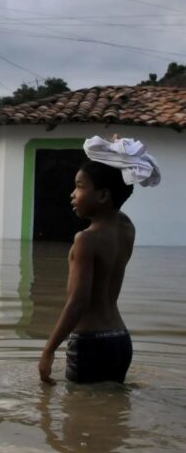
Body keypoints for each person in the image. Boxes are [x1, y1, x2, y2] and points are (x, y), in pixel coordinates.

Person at [39, 135, 160, 384]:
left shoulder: (85, 239)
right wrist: (117, 158)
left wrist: (49, 350)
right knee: (111, 412)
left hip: (89, 343)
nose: (73, 194)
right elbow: (118, 194)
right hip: (120, 340)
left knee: (79, 417)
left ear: (103, 195)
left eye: (80, 186)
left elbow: (78, 302)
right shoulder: (126, 227)